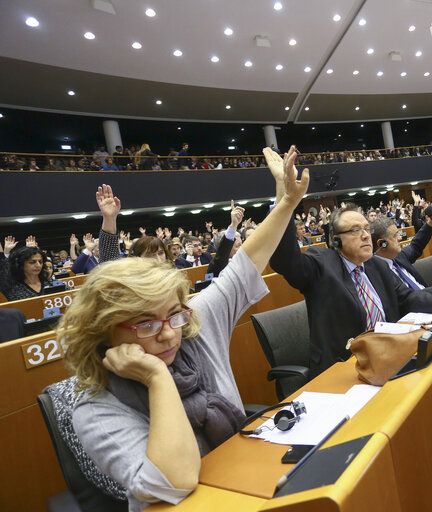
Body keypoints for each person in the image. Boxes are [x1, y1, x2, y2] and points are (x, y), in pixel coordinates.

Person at [60, 145, 309, 511]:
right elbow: (172, 482)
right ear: (103, 329)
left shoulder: (192, 325)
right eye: (145, 323)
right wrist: (157, 379)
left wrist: (286, 202)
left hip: (249, 480)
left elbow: (245, 264)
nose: (168, 333)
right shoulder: (96, 405)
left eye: (175, 314)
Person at [267, 149, 432, 378]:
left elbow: (406, 297)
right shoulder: (322, 265)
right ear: (335, 240)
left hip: (389, 357)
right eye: (356, 231)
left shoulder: (376, 266)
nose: (366, 235)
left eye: (366, 229)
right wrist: (284, 198)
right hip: (344, 370)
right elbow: (283, 259)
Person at [370, 214, 432, 297]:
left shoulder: (398, 256)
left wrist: (430, 223)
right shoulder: (377, 273)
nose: (400, 238)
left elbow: (416, 245)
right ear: (382, 243)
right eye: (395, 235)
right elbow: (407, 297)